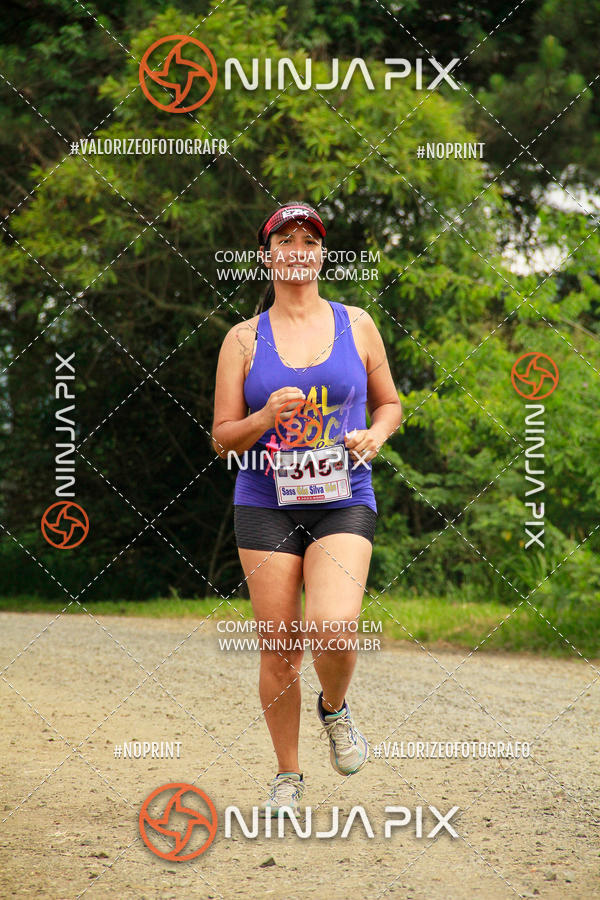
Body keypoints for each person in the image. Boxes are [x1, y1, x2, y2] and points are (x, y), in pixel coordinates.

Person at [211, 201, 402, 817]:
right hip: (264, 500)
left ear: (322, 254)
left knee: (334, 627)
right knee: (279, 647)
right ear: (266, 255)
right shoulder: (242, 339)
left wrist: (375, 435)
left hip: (344, 496)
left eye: (309, 241)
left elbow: (390, 404)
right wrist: (265, 417)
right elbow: (222, 437)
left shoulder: (358, 324)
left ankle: (334, 709)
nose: (298, 250)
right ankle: (287, 775)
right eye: (285, 241)